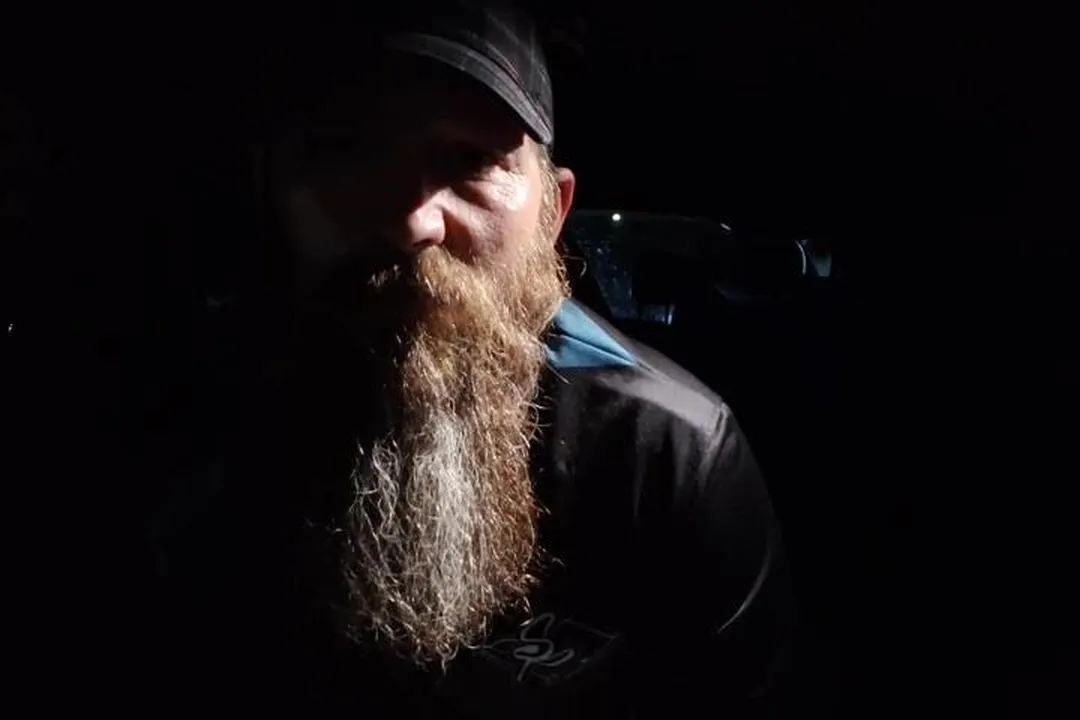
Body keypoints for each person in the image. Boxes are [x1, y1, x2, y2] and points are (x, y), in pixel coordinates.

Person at [152, 1, 797, 716]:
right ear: (273, 188)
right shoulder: (181, 410)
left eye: (471, 160)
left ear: (553, 214)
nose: (410, 219)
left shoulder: (666, 454)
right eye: (351, 149)